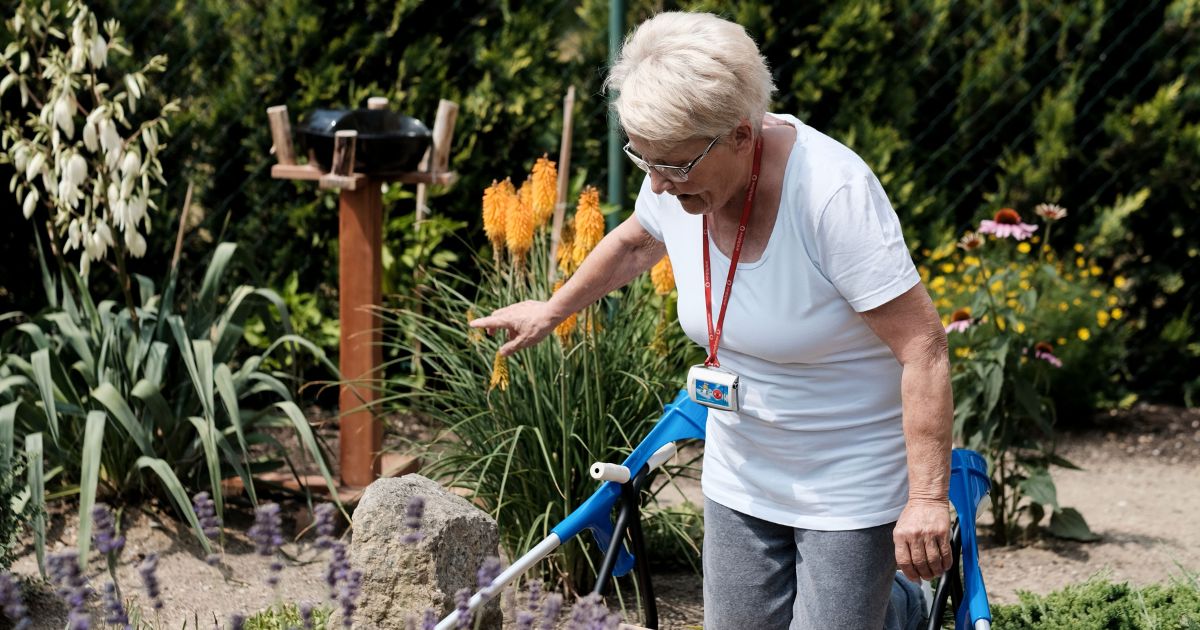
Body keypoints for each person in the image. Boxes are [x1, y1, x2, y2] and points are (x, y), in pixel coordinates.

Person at [470, 11, 953, 630]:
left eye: (673, 166)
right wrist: (554, 308)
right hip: (741, 469)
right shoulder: (675, 175)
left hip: (847, 477)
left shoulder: (832, 196)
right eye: (643, 162)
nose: (659, 185)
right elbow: (639, 241)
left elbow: (924, 346)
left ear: (742, 136)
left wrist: (927, 499)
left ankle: (900, 609)